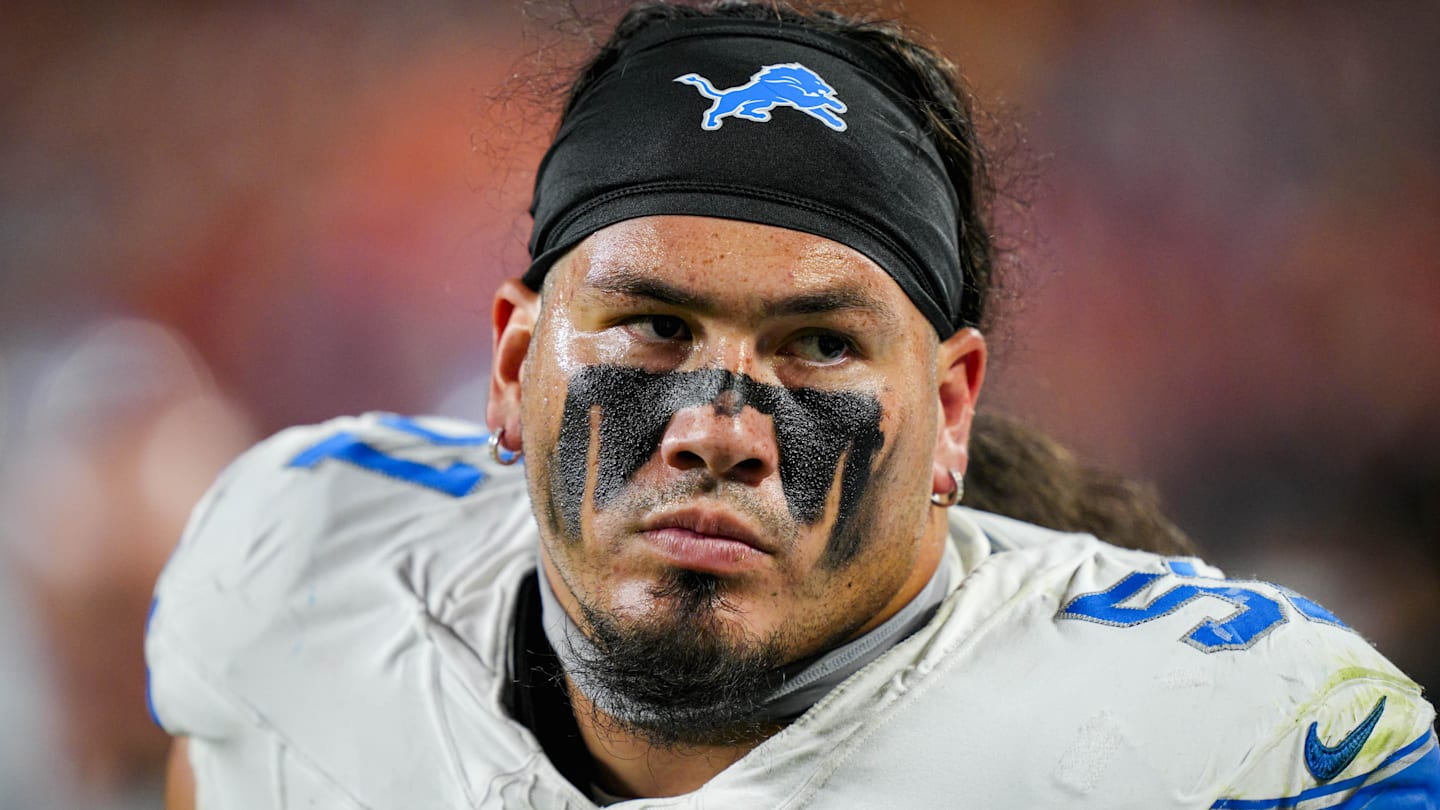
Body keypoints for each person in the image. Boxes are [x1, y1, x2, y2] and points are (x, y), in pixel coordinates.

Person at [146, 2, 1439, 807]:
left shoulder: (1228, 738)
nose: (716, 425)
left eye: (817, 345)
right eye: (654, 324)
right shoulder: (303, 561)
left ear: (949, 411)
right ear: (510, 360)